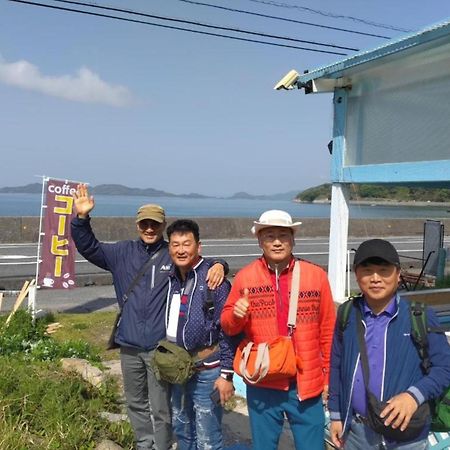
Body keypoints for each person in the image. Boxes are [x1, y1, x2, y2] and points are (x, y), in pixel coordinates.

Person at [71, 184, 228, 450]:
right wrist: (82, 219)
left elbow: (195, 258)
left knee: (161, 407)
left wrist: (219, 265)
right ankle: (145, 444)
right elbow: (88, 247)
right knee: (135, 402)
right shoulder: (120, 253)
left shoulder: (171, 252)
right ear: (137, 225)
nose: (149, 229)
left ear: (162, 225)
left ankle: (163, 446)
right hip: (129, 344)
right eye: (144, 223)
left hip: (160, 349)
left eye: (154, 224)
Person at [221, 209, 336, 450]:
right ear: (259, 240)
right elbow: (228, 328)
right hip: (263, 382)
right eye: (269, 235)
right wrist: (236, 315)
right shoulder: (245, 277)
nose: (276, 241)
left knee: (312, 445)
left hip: (306, 384)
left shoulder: (316, 276)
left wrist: (328, 378)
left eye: (283, 235)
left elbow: (328, 332)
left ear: (293, 239)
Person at [328, 238, 450, 450]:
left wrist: (414, 396)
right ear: (356, 275)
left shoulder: (419, 315)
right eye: (367, 270)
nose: (375, 278)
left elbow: (445, 368)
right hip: (357, 433)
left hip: (407, 436)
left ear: (397, 274)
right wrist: (337, 415)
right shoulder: (347, 314)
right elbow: (337, 366)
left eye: (384, 270)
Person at [165, 219, 236, 450]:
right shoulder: (171, 277)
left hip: (208, 371)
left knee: (208, 437)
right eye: (175, 244)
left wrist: (226, 376)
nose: (181, 250)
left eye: (187, 243)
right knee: (183, 428)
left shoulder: (214, 279)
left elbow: (228, 330)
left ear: (199, 246)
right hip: (177, 369)